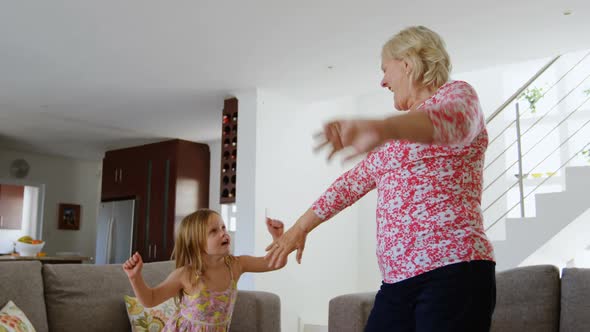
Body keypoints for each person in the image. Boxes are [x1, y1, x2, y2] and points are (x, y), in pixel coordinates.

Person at [265, 26, 496, 332]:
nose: (383, 81)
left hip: (453, 269)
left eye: (385, 70)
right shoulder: (395, 136)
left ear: (408, 64)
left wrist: (384, 127)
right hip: (397, 281)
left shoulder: (457, 95)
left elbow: (452, 122)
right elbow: (349, 184)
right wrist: (298, 229)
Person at [123, 208, 285, 331]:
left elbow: (274, 263)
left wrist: (278, 239)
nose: (223, 233)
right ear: (196, 243)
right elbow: (150, 299)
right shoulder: (186, 274)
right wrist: (135, 277)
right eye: (214, 231)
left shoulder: (236, 265)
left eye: (223, 227)